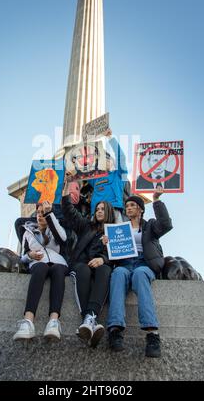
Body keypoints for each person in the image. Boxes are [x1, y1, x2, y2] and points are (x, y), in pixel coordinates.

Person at [102, 187, 173, 357]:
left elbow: (166, 224)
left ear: (141, 209)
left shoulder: (150, 226)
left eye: (133, 205)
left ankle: (152, 334)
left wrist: (156, 200)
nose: (129, 208)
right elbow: (114, 253)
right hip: (125, 263)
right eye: (127, 206)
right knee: (118, 274)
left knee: (140, 274)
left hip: (144, 263)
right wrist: (108, 243)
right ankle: (115, 330)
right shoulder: (120, 228)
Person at [62, 173, 115, 348]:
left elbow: (120, 258)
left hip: (101, 267)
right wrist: (67, 187)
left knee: (105, 270)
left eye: (102, 209)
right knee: (83, 270)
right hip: (81, 264)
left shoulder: (115, 232)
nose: (99, 211)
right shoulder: (86, 225)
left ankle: (88, 320)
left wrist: (103, 258)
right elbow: (70, 212)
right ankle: (90, 319)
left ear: (108, 212)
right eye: (97, 209)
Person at [13, 201, 69, 342]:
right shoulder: (27, 232)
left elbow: (63, 239)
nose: (40, 216)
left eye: (43, 213)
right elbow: (23, 257)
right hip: (38, 262)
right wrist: (29, 256)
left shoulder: (56, 228)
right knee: (40, 268)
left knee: (58, 270)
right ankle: (28, 321)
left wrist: (50, 214)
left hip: (58, 262)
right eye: (38, 213)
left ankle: (53, 322)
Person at [88, 128, 128, 223]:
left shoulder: (119, 175)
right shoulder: (95, 178)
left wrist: (110, 138)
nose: (104, 160)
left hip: (113, 211)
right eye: (101, 159)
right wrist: (87, 144)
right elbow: (81, 167)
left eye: (107, 159)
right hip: (96, 214)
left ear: (114, 163)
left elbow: (121, 157)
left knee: (115, 237)